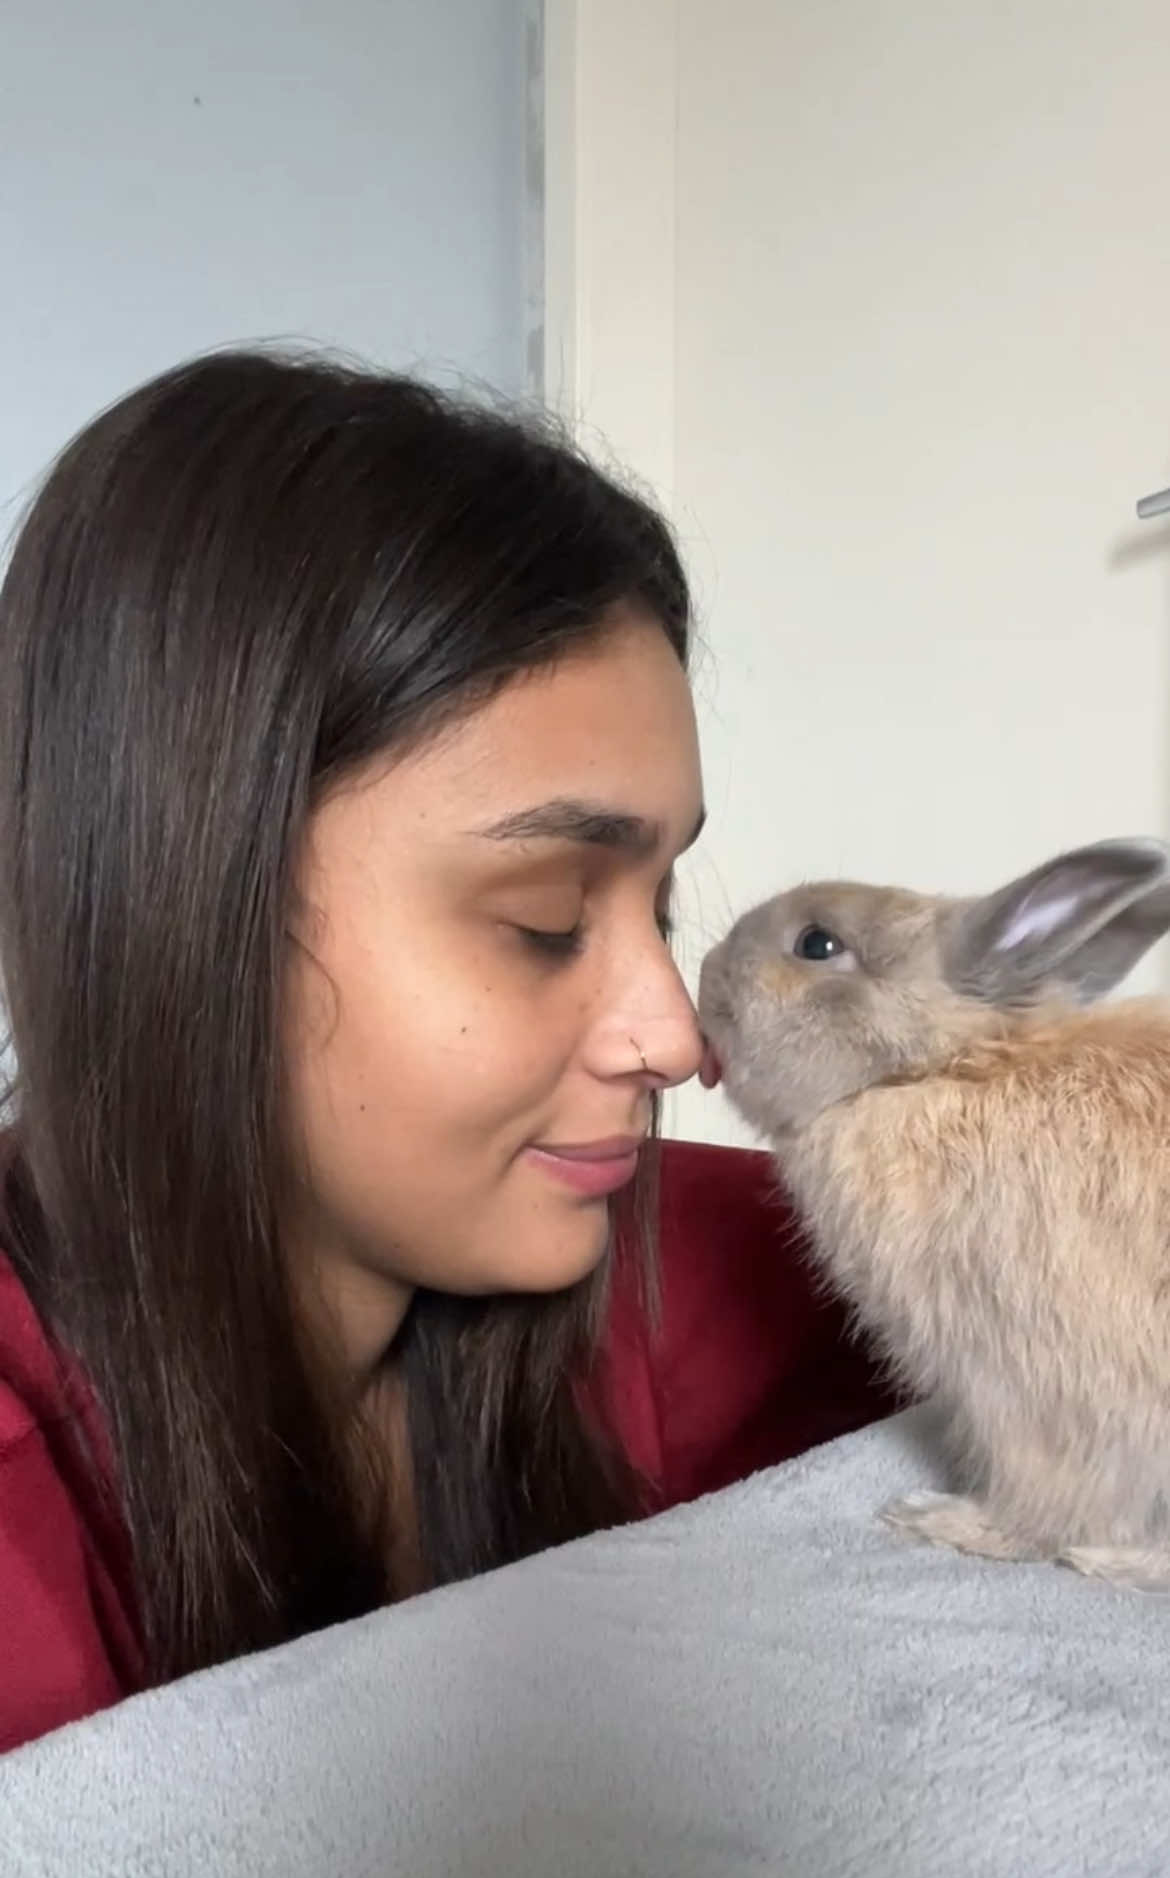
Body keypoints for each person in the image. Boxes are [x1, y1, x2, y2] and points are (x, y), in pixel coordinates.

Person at [0, 352, 887, 1757]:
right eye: (541, 919)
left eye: (658, 905)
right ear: (180, 910)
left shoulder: (656, 1266)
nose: (672, 1037)